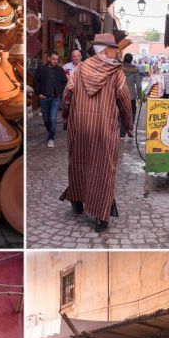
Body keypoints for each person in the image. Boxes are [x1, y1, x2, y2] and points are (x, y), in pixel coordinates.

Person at [60, 33, 132, 233]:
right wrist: (129, 124)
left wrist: (67, 116)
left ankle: (76, 201)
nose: (115, 51)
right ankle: (101, 217)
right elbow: (125, 99)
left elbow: (67, 93)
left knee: (79, 161)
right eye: (112, 48)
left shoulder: (80, 68)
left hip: (80, 125)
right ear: (105, 49)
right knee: (103, 168)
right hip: (104, 128)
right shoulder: (116, 73)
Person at [33, 51, 68, 149]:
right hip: (44, 98)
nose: (55, 61)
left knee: (53, 119)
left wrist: (60, 92)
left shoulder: (60, 70)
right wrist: (38, 93)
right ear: (49, 58)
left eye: (57, 59)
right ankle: (50, 130)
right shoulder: (41, 69)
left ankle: (51, 138)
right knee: (46, 120)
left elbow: (64, 82)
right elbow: (36, 81)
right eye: (53, 59)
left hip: (55, 98)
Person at [121, 52, 142, 137]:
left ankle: (121, 133)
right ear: (131, 60)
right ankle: (129, 129)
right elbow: (139, 85)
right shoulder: (135, 70)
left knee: (121, 113)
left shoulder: (119, 69)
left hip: (120, 95)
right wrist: (139, 96)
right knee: (132, 112)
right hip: (131, 96)